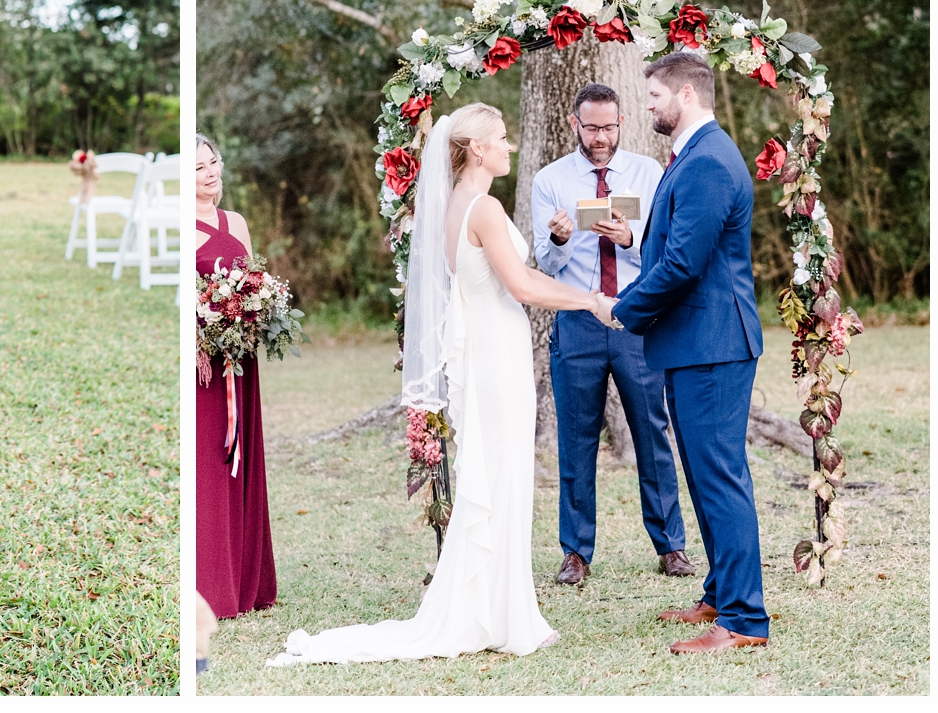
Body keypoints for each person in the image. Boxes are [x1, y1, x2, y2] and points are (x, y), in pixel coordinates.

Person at [269, 103, 615, 666]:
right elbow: (523, 285)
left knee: (498, 474)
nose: (511, 144)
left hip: (486, 349)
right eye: (502, 137)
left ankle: (499, 609)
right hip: (497, 354)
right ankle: (511, 619)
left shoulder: (456, 205)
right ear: (476, 149)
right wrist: (592, 300)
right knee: (503, 475)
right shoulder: (483, 208)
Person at [604, 52, 769, 655]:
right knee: (703, 474)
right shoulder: (695, 157)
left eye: (653, 95)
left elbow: (682, 263)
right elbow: (669, 243)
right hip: (695, 342)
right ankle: (721, 593)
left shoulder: (708, 162)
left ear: (687, 96)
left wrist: (622, 307)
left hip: (714, 345)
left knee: (720, 477)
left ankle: (745, 621)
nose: (647, 105)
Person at [531, 82, 692, 586]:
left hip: (636, 317)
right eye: (591, 127)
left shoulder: (650, 173)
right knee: (576, 438)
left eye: (609, 126)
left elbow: (669, 254)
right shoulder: (550, 180)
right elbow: (543, 261)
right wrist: (559, 238)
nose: (600, 137)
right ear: (574, 124)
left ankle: (672, 546)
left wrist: (632, 238)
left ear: (622, 123)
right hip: (578, 320)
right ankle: (575, 552)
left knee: (652, 432)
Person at [195, 133, 277, 619]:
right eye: (199, 167)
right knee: (211, 464)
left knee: (240, 463)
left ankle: (245, 580)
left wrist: (256, 314)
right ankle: (210, 584)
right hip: (206, 364)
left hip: (240, 359)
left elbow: (251, 281)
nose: (211, 173)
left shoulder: (236, 223)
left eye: (214, 162)